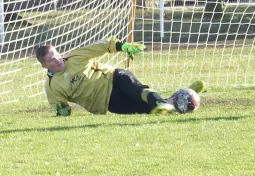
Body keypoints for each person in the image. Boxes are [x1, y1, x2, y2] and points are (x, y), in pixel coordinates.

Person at [36, 36, 205, 116]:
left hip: (114, 78)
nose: (57, 60)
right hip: (108, 103)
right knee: (149, 110)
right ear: (44, 66)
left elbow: (103, 45)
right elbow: (62, 108)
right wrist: (61, 111)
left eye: (57, 55)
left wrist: (124, 46)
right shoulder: (52, 87)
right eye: (51, 61)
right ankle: (179, 98)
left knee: (138, 89)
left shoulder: (75, 56)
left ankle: (164, 102)